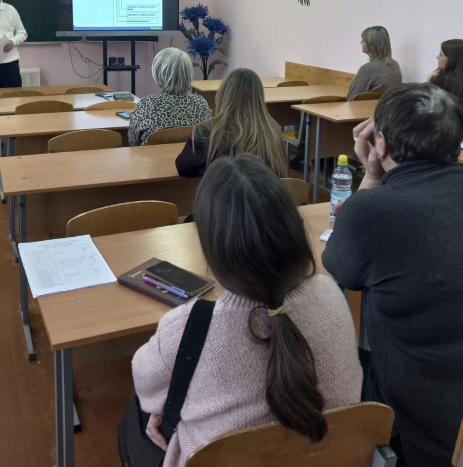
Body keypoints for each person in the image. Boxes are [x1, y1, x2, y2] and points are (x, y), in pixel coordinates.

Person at [128, 154, 362, 467]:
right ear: (293, 229)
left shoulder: (186, 327)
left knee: (143, 413)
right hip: (330, 459)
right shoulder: (331, 293)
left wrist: (166, 409)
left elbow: (145, 384)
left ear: (212, 248)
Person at [322, 83, 463, 467]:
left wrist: (370, 175)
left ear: (380, 144)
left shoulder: (372, 212)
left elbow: (338, 268)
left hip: (414, 428)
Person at [175, 68, 288, 177]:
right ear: (259, 97)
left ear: (223, 95)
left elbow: (184, 168)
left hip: (223, 190)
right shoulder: (273, 129)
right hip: (264, 190)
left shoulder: (206, 130)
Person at [128, 48, 211, 146]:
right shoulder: (201, 104)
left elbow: (133, 142)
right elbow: (208, 137)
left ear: (157, 73)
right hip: (191, 156)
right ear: (189, 73)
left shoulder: (146, 104)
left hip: (152, 156)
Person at [346, 26, 402, 101]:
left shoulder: (367, 69)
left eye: (363, 40)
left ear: (371, 44)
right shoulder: (395, 65)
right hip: (387, 107)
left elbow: (351, 99)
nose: (361, 42)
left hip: (367, 108)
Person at [426, 39, 463, 105]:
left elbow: (426, 103)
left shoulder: (443, 80)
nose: (437, 57)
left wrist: (429, 78)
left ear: (451, 59)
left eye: (441, 55)